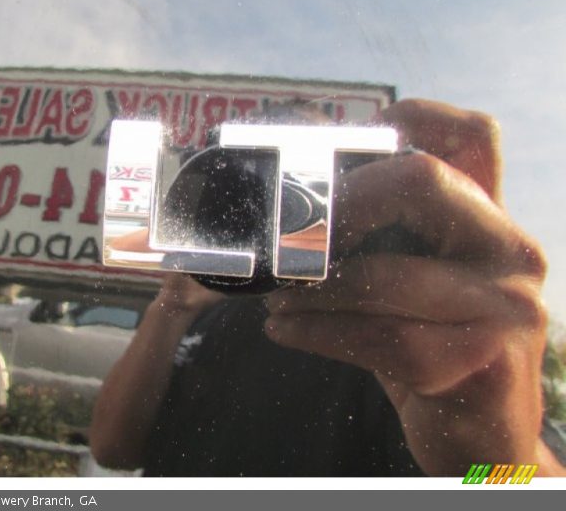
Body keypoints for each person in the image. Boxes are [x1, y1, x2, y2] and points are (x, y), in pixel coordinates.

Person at [89, 98, 566, 477]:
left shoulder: (408, 318)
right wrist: (172, 305)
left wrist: (508, 457)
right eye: (238, 176)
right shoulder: (198, 312)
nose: (266, 203)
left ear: (356, 183)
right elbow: (112, 449)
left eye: (299, 175)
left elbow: (518, 484)